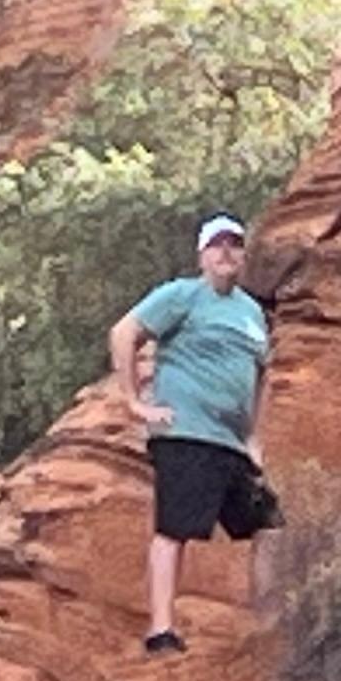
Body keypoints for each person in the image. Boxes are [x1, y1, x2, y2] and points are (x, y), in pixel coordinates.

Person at [109, 212, 276, 657]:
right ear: (202, 254)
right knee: (174, 529)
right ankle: (161, 630)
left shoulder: (251, 312)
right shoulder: (181, 295)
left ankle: (272, 622)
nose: (226, 252)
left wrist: (254, 437)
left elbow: (261, 376)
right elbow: (125, 333)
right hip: (185, 433)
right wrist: (134, 400)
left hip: (232, 443)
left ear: (242, 254)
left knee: (268, 526)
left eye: (234, 244)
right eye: (217, 245)